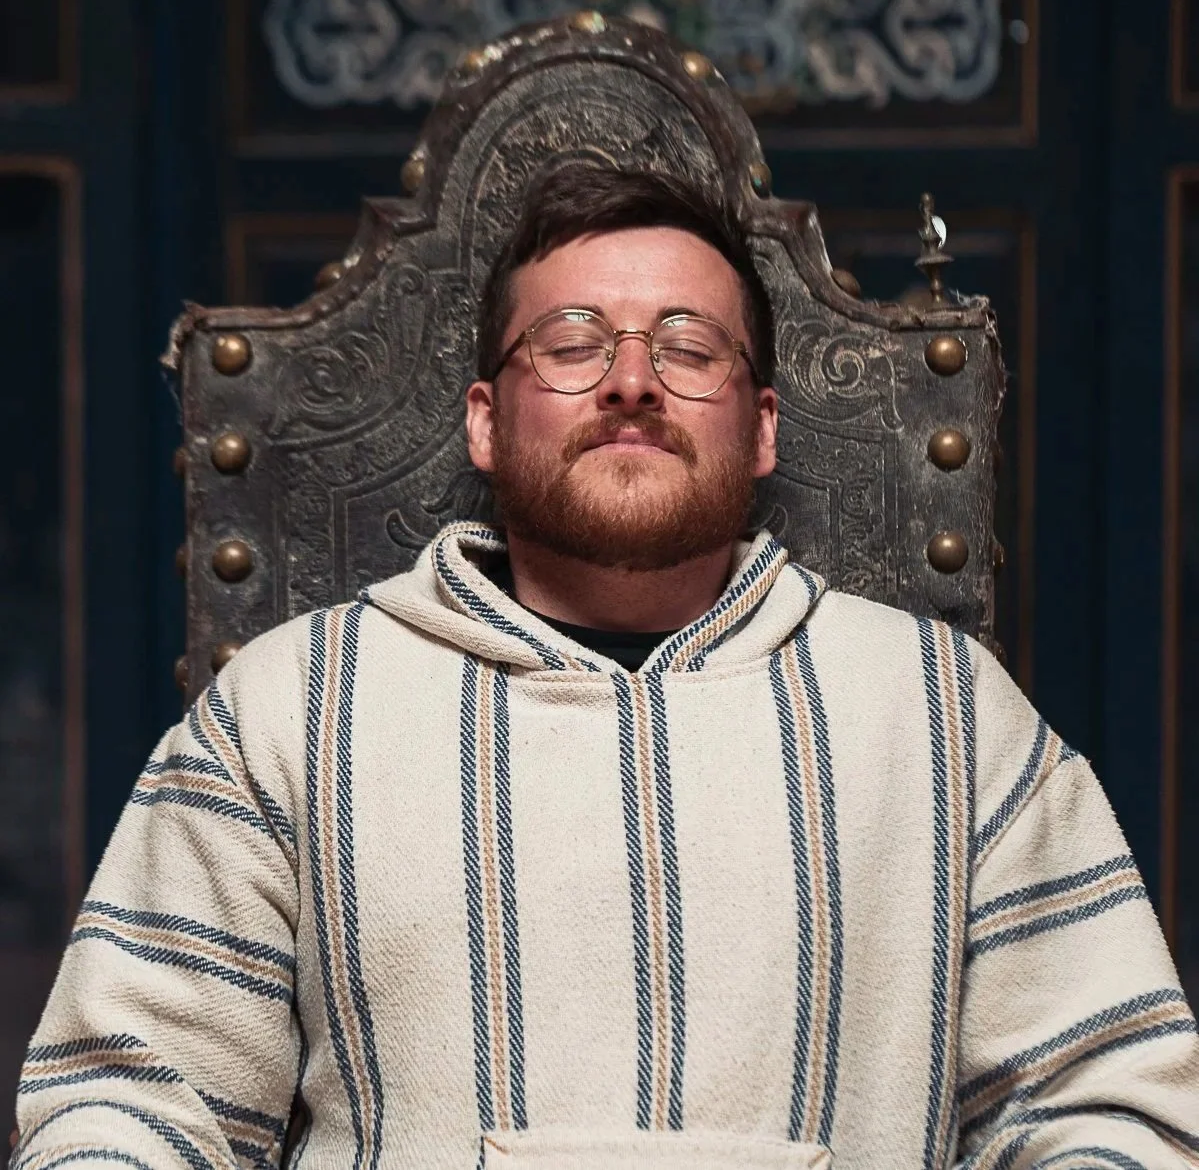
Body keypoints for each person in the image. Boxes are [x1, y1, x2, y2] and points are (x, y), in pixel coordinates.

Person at [12, 163, 1199, 1169]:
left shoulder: (944, 718)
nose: (631, 378)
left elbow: (1111, 1093)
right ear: (484, 417)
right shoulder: (287, 713)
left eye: (688, 346)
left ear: (765, 424)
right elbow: (125, 1103)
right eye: (571, 342)